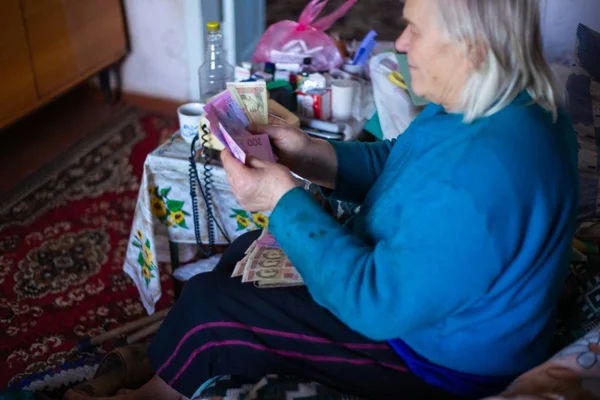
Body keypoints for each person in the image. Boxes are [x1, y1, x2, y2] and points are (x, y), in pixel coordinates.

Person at [66, 0, 579, 399]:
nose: (400, 43)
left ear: (473, 47)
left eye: (416, 31)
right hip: (414, 296)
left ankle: (152, 390)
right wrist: (308, 153)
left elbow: (373, 305)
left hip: (434, 361)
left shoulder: (483, 177)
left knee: (213, 307)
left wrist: (281, 200)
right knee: (246, 248)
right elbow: (400, 163)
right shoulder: (490, 99)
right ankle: (169, 358)